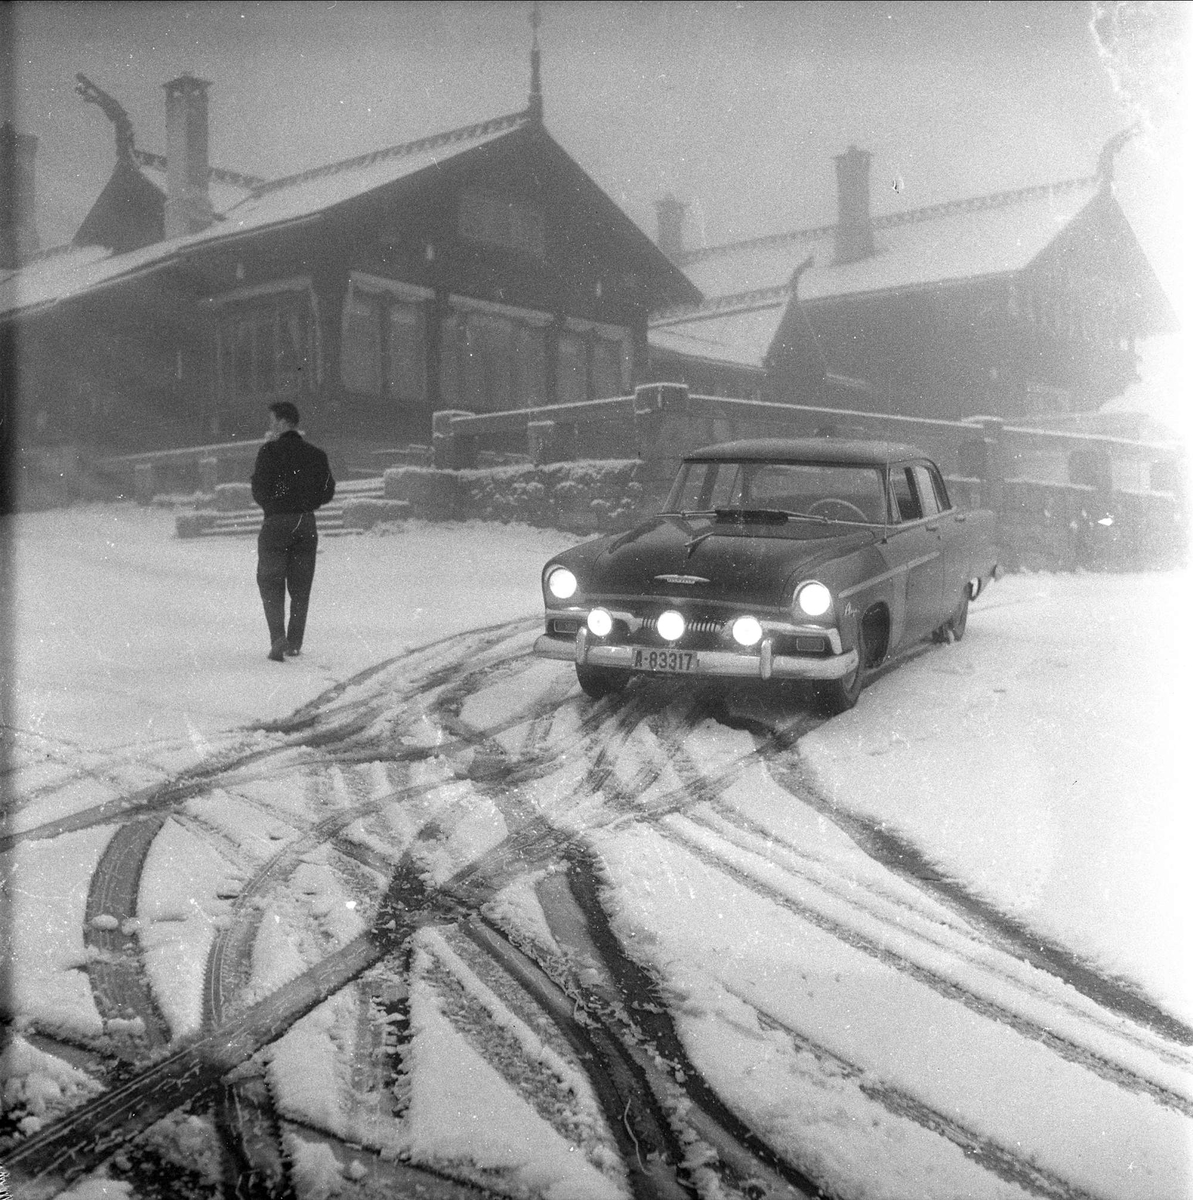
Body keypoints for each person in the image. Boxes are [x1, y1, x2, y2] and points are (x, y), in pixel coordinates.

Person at [250, 401, 336, 661]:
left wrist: (274, 503)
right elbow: (328, 490)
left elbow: (258, 490)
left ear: (284, 422)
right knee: (301, 587)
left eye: (273, 421)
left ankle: (278, 637)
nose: (270, 427)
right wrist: (308, 504)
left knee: (271, 581)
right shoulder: (316, 455)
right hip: (305, 522)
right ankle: (295, 642)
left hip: (276, 522)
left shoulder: (268, 452)